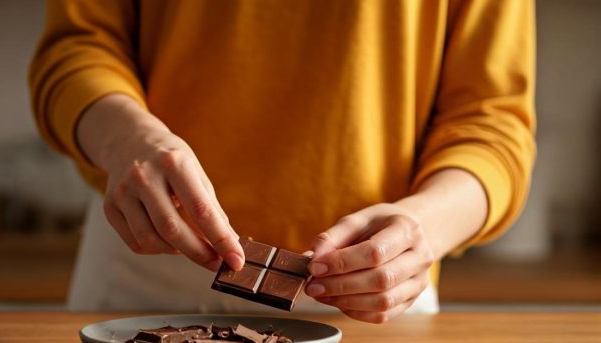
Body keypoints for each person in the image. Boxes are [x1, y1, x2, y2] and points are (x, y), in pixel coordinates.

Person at [29, 0, 535, 323]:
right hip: (144, 267)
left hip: (379, 290)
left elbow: (491, 121)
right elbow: (80, 46)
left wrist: (426, 224)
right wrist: (126, 140)